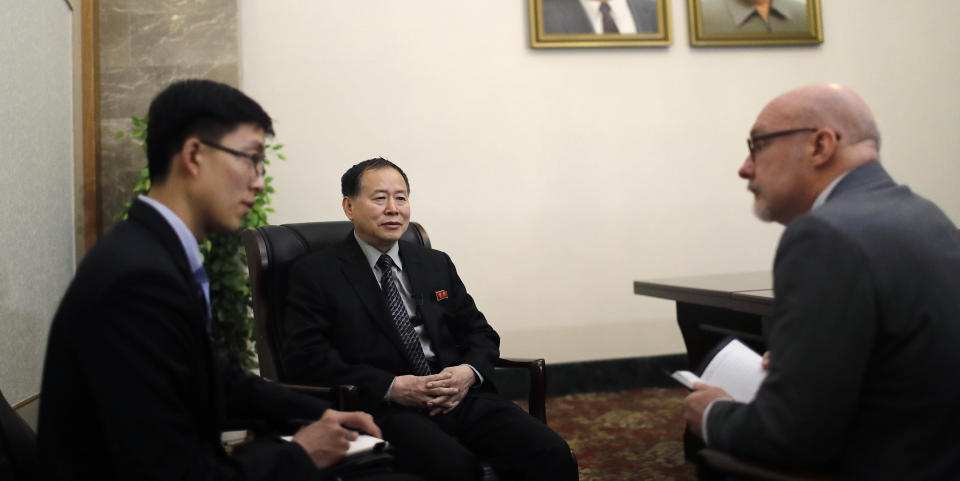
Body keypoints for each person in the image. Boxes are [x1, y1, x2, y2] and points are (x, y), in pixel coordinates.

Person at [37, 80, 419, 481]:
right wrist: (302, 453)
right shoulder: (137, 278)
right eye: (251, 160)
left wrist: (320, 413)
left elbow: (214, 379)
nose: (258, 181)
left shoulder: (157, 251)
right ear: (194, 156)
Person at [683, 84, 960, 479]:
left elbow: (792, 437)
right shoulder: (926, 215)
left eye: (757, 145)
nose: (745, 167)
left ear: (820, 146)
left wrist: (712, 413)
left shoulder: (823, 235)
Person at [283, 158, 579, 481]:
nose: (393, 209)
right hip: (387, 409)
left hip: (458, 396)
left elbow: (480, 332)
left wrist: (467, 373)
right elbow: (307, 358)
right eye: (380, 198)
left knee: (552, 453)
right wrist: (393, 387)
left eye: (401, 198)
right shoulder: (316, 274)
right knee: (456, 468)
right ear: (349, 206)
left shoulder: (434, 263)